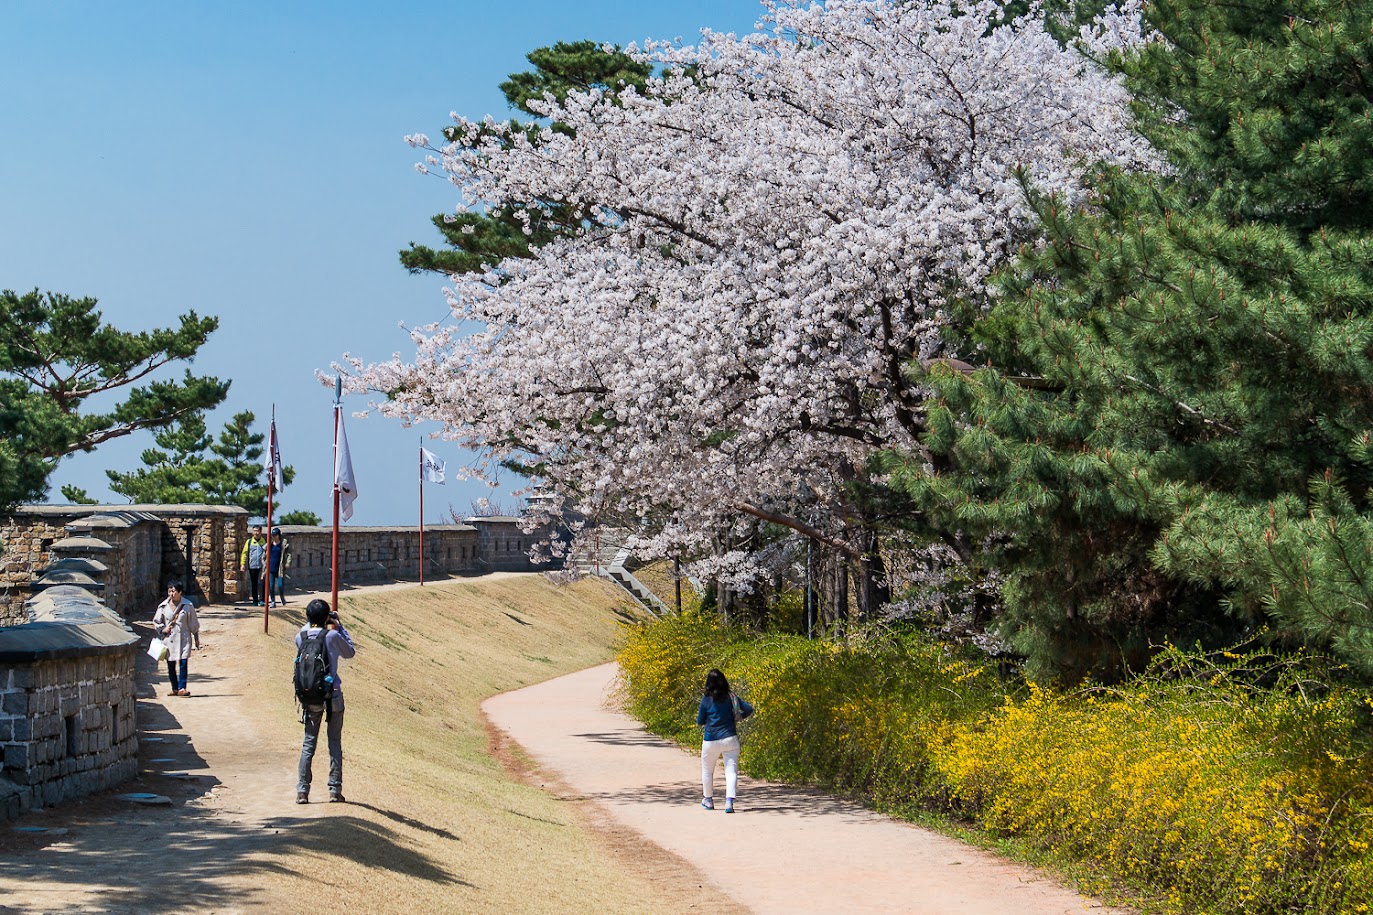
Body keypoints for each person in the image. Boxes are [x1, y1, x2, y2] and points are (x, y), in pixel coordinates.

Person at [296, 598, 356, 804]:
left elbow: (307, 629)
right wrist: (339, 626)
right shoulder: (331, 636)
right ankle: (334, 789)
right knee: (334, 742)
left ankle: (302, 790)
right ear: (326, 617)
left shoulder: (300, 636)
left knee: (308, 744)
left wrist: (314, 621)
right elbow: (350, 652)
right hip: (333, 695)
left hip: (310, 695)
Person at [697, 667, 753, 813]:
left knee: (707, 771)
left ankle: (708, 800)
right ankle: (729, 803)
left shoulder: (706, 700)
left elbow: (700, 721)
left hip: (711, 740)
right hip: (730, 738)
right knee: (731, 771)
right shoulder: (731, 697)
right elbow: (748, 709)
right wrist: (738, 717)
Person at [152, 580, 200, 697]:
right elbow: (157, 621)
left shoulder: (188, 606)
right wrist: (163, 630)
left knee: (183, 663)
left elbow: (193, 623)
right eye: (169, 591)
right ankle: (174, 687)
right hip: (169, 640)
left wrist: (196, 637)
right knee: (171, 664)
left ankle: (182, 687)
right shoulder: (163, 606)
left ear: (180, 592)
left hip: (184, 639)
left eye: (173, 591)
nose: (171, 594)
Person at [240, 524, 267, 606]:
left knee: (261, 583)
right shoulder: (249, 542)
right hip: (252, 566)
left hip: (262, 566)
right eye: (254, 531)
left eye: (257, 531)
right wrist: (243, 564)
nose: (256, 533)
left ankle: (262, 600)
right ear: (252, 532)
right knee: (254, 584)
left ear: (260, 532)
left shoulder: (264, 542)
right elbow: (244, 553)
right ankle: (255, 600)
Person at [267, 527, 292, 608]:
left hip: (279, 568)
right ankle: (273, 601)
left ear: (278, 535)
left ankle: (282, 598)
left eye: (275, 535)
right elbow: (264, 555)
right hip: (271, 568)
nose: (273, 537)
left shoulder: (283, 545)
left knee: (280, 585)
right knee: (271, 586)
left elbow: (288, 555)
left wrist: (287, 563)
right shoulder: (269, 545)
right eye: (272, 535)